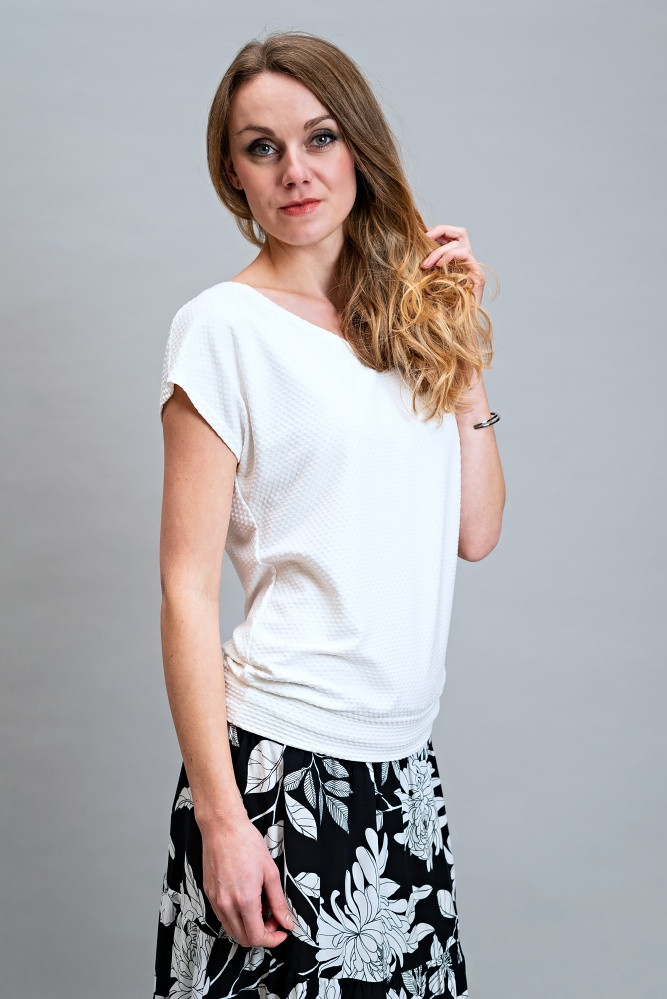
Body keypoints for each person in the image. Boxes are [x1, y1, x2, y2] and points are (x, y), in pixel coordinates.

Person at [152, 29, 505, 999]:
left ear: (358, 145)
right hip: (280, 767)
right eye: (261, 148)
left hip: (402, 768)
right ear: (233, 174)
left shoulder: (406, 321)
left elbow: (474, 533)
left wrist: (462, 353)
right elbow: (184, 592)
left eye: (318, 138)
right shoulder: (222, 329)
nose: (295, 171)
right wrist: (223, 822)